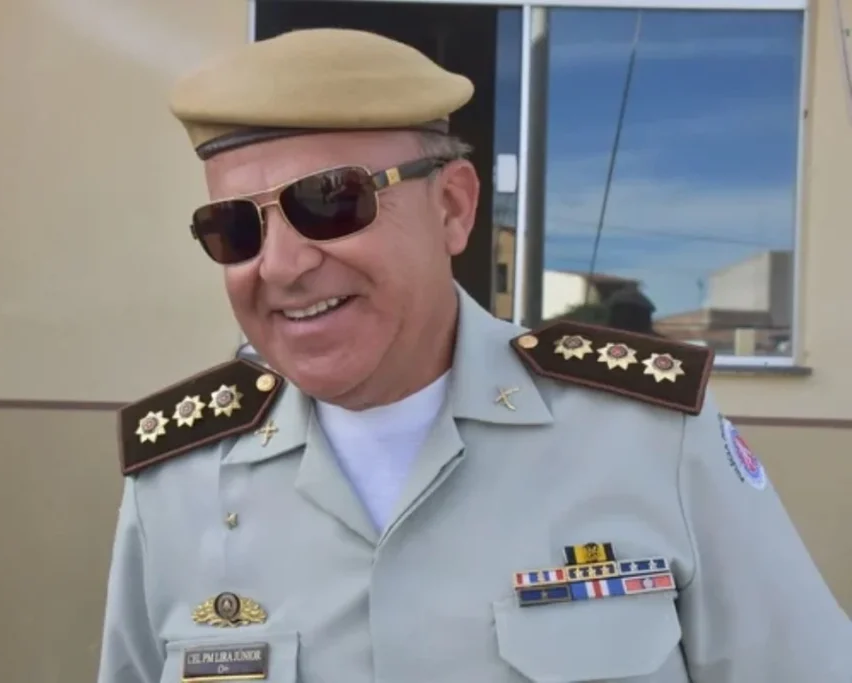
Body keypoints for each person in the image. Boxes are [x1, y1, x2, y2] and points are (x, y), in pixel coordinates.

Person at [97, 28, 852, 683]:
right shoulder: (176, 485)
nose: (283, 265)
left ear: (453, 208)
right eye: (236, 228)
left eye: (330, 202)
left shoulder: (651, 439)